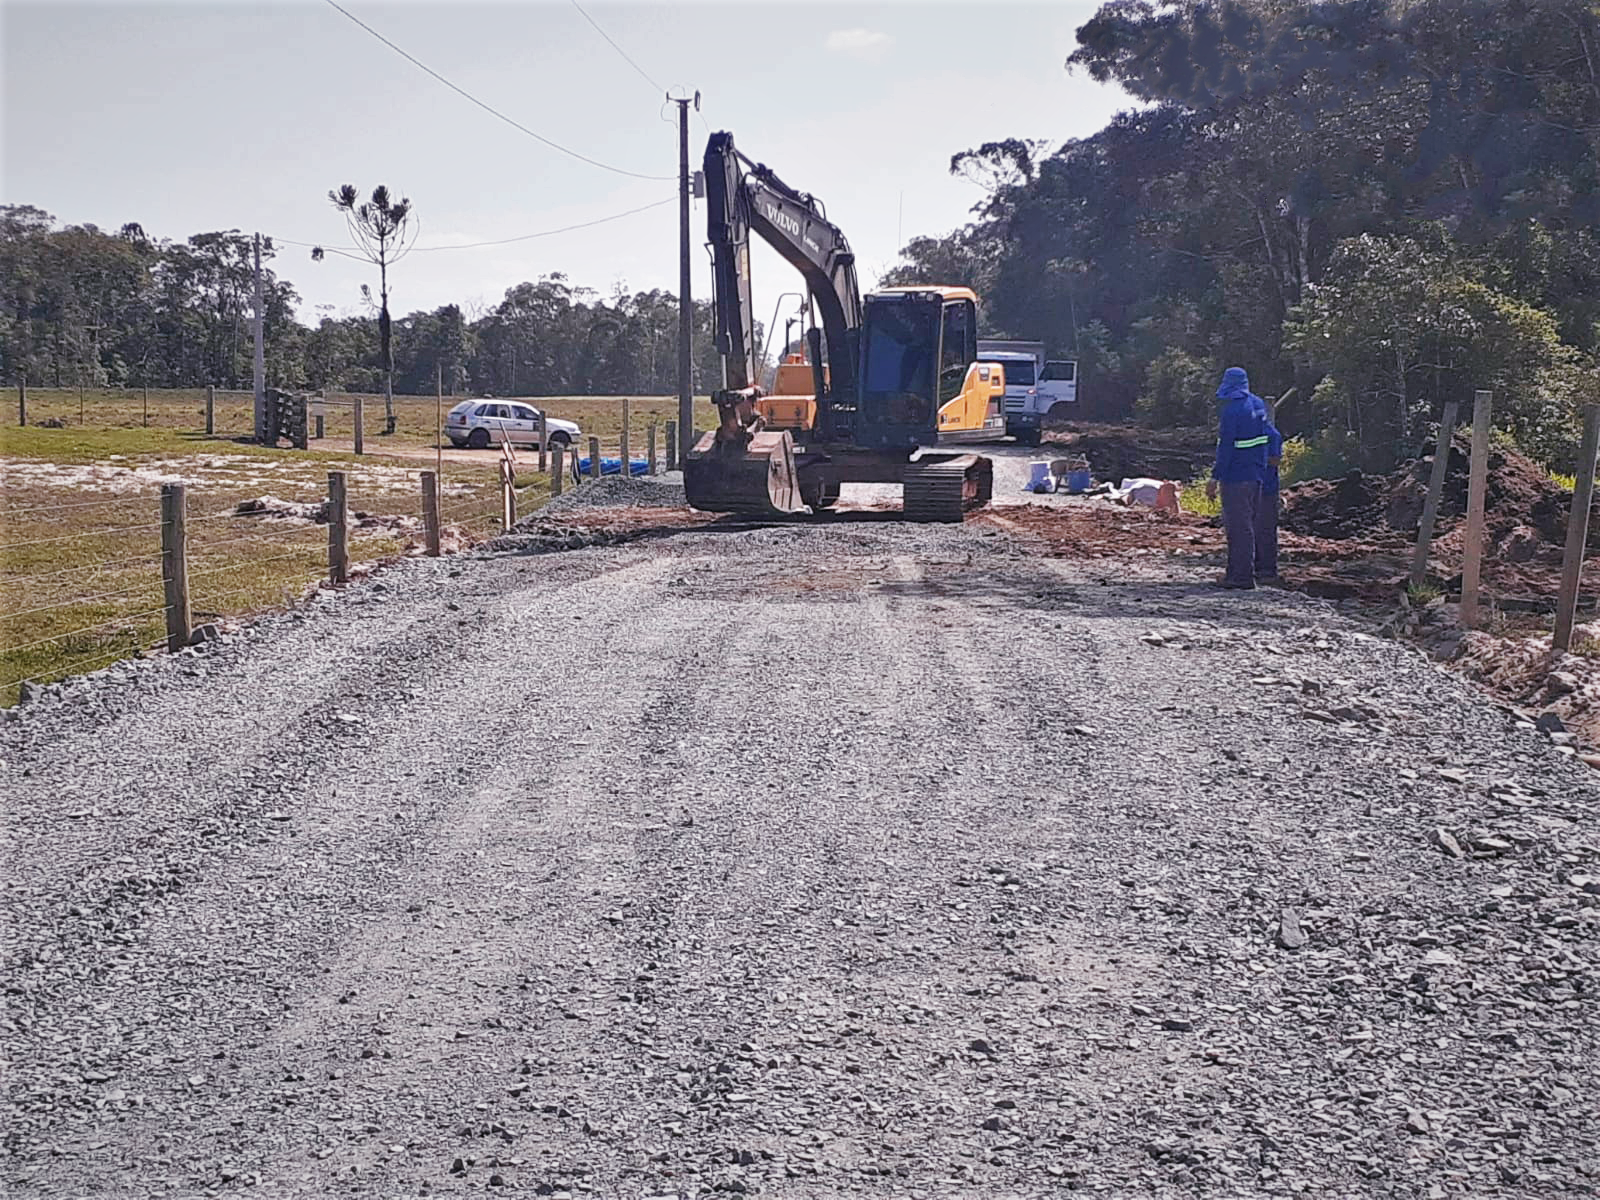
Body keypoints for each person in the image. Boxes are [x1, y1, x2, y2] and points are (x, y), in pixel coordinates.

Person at [1204, 366, 1269, 589]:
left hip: (1235, 478)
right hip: (1256, 475)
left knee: (1238, 528)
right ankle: (1236, 573)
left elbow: (1226, 448)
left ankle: (1241, 577)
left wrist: (1215, 477)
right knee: (1248, 525)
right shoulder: (1259, 405)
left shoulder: (1232, 411)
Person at [1256, 416, 1283, 583]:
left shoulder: (1271, 434)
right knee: (1250, 529)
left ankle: (1267, 569)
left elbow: (1275, 459)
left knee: (1265, 530)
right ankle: (1255, 565)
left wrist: (1252, 460)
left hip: (1267, 488)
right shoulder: (1249, 432)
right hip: (1250, 487)